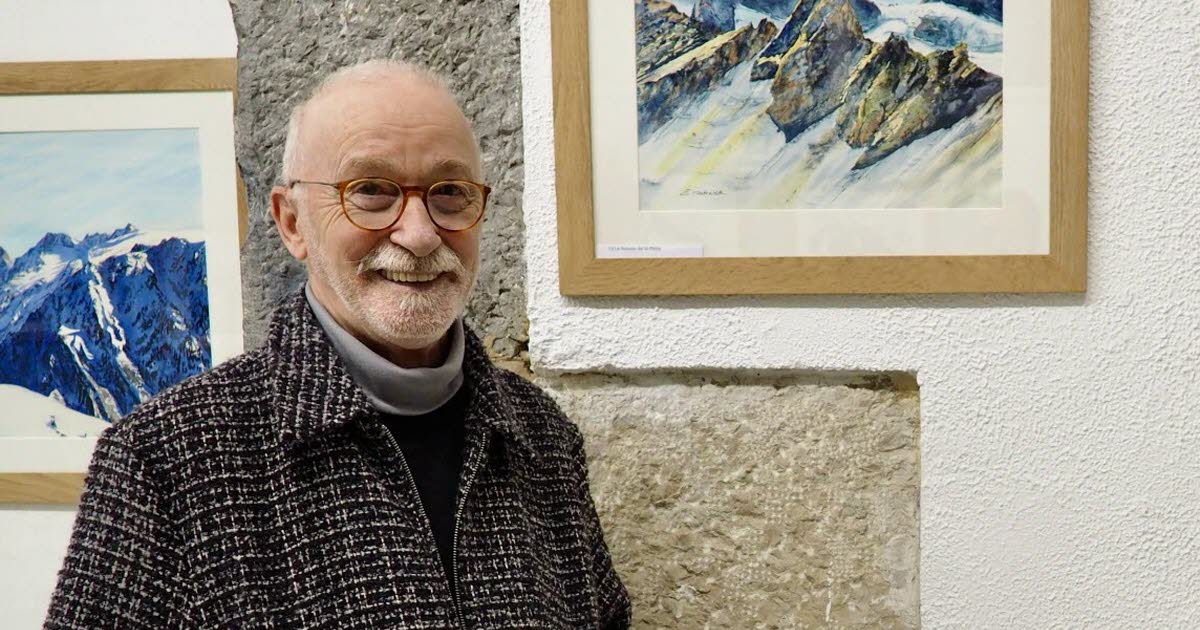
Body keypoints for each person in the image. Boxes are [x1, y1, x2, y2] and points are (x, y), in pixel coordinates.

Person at [43, 59, 632, 629]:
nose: (422, 234)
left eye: (449, 192)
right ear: (292, 222)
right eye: (371, 190)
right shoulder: (166, 460)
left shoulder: (542, 440)